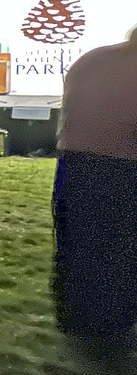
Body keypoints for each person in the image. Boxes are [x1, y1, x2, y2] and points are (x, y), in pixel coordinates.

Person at [50, 24, 137, 354]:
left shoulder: (92, 60)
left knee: (76, 239)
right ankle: (113, 322)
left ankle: (75, 316)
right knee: (120, 247)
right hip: (123, 167)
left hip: (74, 161)